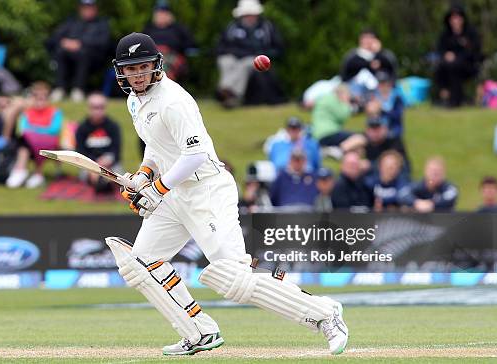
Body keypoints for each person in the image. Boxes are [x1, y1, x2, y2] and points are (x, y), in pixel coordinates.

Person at [108, 32, 348, 356]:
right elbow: (157, 143)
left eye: (142, 67)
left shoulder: (173, 101)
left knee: (230, 275)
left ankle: (324, 313)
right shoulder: (135, 101)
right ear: (120, 71)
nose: (136, 74)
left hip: (206, 189)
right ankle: (199, 332)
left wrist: (159, 187)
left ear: (155, 66)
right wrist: (144, 174)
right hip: (175, 194)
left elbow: (193, 155)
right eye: (129, 68)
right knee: (140, 263)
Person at [215, 0, 284, 108]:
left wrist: (262, 54)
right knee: (225, 61)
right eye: (247, 15)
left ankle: (230, 93)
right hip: (234, 56)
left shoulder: (266, 27)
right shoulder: (232, 27)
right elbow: (222, 46)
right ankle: (228, 93)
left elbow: (277, 47)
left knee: (245, 64)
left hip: (254, 58)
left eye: (252, 15)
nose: (250, 18)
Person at [48, 0, 113, 102]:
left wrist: (81, 43)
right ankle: (60, 88)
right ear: (80, 9)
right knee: (60, 52)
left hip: (94, 59)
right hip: (69, 56)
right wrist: (64, 42)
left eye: (90, 8)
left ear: (95, 9)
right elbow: (54, 38)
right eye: (85, 8)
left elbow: (105, 43)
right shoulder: (71, 22)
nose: (87, 10)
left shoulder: (102, 24)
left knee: (83, 54)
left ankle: (78, 90)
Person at [6, 82, 63, 189]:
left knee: (25, 142)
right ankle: (27, 172)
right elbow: (24, 129)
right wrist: (39, 131)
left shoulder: (55, 112)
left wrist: (35, 130)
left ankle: (21, 170)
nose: (40, 101)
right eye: (37, 97)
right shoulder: (27, 113)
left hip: (49, 143)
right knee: (25, 141)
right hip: (30, 143)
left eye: (43, 97)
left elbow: (54, 130)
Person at [434, 5, 482, 108]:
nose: (455, 21)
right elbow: (440, 50)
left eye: (458, 18)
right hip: (447, 65)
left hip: (468, 65)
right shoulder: (445, 34)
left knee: (454, 67)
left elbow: (474, 51)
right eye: (453, 18)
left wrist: (457, 57)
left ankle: (455, 101)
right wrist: (446, 55)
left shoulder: (470, 33)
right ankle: (444, 98)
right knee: (440, 68)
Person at [75, 92, 122, 194]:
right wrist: (94, 164)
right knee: (87, 174)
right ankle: (101, 183)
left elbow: (116, 151)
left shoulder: (113, 126)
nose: (97, 111)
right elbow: (80, 152)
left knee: (120, 175)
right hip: (89, 164)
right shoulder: (82, 128)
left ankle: (105, 182)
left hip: (111, 163)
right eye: (94, 107)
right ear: (88, 108)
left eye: (101, 107)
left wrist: (107, 161)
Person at [143, 1, 196, 82]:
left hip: (172, 56)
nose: (162, 15)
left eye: (164, 13)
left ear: (170, 15)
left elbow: (190, 44)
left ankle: (165, 85)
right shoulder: (148, 29)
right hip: (153, 56)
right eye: (159, 13)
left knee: (163, 63)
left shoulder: (178, 29)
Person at [311, 85, 365, 154]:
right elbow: (343, 115)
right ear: (342, 93)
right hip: (329, 133)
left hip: (318, 135)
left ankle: (331, 150)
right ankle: (338, 151)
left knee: (358, 148)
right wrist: (346, 102)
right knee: (360, 137)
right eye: (348, 95)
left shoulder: (324, 98)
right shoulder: (333, 99)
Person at [362, 116, 410, 181]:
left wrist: (370, 165)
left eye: (378, 129)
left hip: (396, 179)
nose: (375, 133)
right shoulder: (364, 139)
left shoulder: (393, 141)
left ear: (385, 129)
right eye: (372, 129)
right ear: (367, 131)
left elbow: (396, 165)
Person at [371, 71, 404, 138]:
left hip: (393, 128)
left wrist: (382, 110)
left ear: (389, 83)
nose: (381, 86)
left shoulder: (396, 96)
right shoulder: (375, 96)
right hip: (377, 128)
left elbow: (397, 116)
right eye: (379, 83)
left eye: (383, 83)